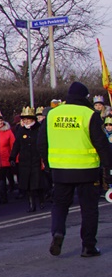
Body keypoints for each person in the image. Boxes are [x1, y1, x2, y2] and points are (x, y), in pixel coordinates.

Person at [41, 82, 112, 257]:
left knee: (59, 205)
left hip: (60, 169)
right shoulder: (89, 115)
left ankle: (58, 232)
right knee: (89, 209)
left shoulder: (52, 114)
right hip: (86, 170)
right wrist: (109, 167)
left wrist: (49, 164)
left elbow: (41, 143)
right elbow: (102, 144)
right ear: (85, 97)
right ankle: (88, 246)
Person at [10, 107, 47, 213]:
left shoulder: (39, 128)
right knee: (28, 184)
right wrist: (12, 157)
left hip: (36, 159)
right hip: (25, 161)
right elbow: (17, 144)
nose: (25, 121)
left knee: (38, 182)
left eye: (27, 119)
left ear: (32, 119)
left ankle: (41, 200)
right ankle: (32, 204)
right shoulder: (21, 130)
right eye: (24, 119)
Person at [0, 110, 16, 203]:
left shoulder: (8, 132)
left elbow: (13, 145)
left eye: (1, 121)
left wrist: (13, 157)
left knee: (3, 179)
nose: (0, 123)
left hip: (6, 159)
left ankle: (4, 196)